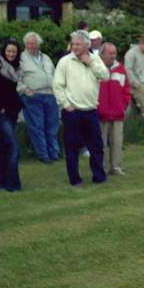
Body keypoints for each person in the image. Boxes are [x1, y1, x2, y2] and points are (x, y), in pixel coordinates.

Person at [53, 30, 110, 186]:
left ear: (87, 45)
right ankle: (74, 179)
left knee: (96, 146)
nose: (75, 47)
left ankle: (99, 176)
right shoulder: (65, 61)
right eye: (73, 44)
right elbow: (57, 86)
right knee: (72, 148)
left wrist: (91, 63)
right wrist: (66, 105)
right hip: (72, 111)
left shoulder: (95, 59)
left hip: (91, 110)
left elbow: (105, 76)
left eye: (78, 44)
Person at [17, 31, 60, 164]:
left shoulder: (46, 58)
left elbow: (54, 74)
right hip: (33, 96)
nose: (31, 46)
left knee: (52, 126)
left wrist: (56, 90)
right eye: (28, 43)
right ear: (25, 44)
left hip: (50, 95)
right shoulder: (20, 58)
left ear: (39, 44)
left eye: (34, 43)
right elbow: (16, 78)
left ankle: (54, 153)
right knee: (37, 126)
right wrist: (24, 90)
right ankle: (43, 154)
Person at [0, 39, 23, 192]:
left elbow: (16, 90)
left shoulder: (18, 67)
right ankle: (12, 184)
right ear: (4, 51)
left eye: (14, 51)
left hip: (12, 112)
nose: (11, 54)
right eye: (8, 51)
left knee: (5, 146)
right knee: (14, 147)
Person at [98, 43, 132, 175]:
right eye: (110, 53)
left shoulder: (120, 69)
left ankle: (116, 167)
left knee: (117, 143)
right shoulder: (96, 68)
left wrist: (122, 106)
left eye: (114, 53)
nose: (113, 56)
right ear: (102, 54)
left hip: (117, 113)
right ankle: (101, 168)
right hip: (101, 113)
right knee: (101, 143)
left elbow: (126, 90)